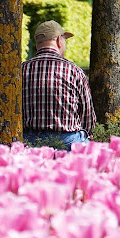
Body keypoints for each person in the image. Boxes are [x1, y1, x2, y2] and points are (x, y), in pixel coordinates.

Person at [22, 20, 95, 150]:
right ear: (58, 41)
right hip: (67, 141)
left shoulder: (21, 70)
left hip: (30, 141)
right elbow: (88, 119)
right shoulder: (74, 71)